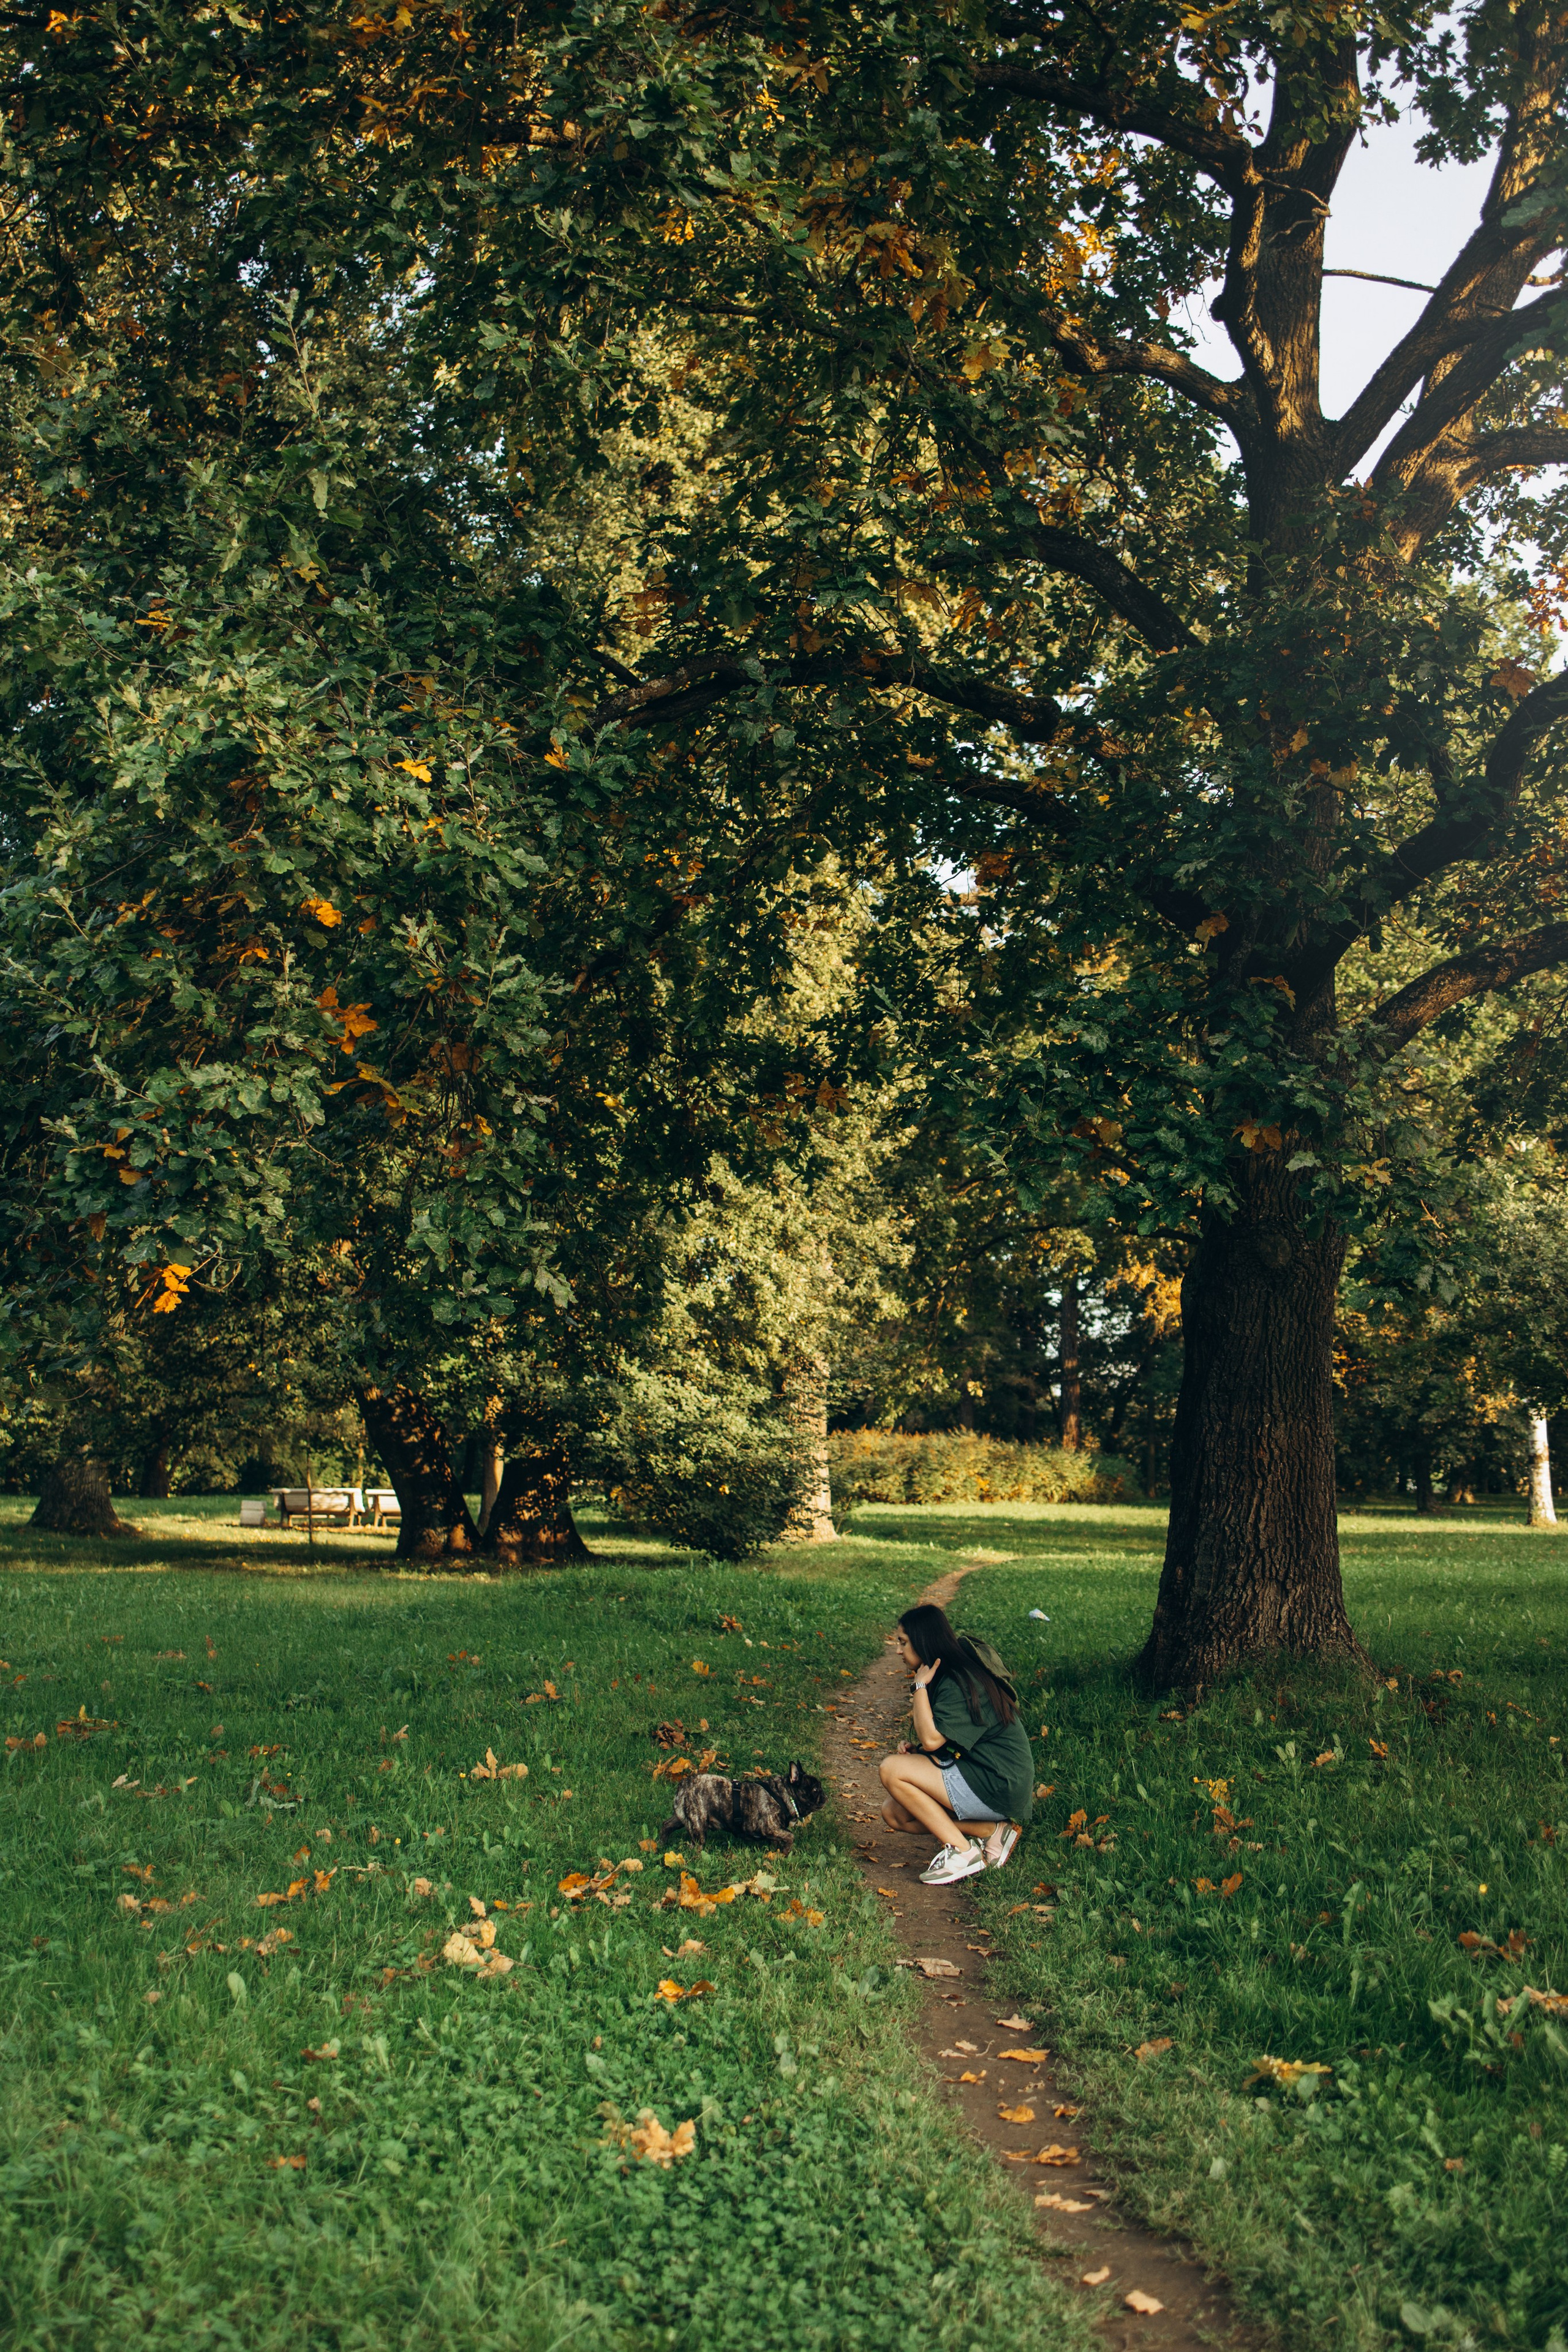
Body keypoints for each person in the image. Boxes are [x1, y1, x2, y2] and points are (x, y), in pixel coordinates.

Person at [878, 1603, 1034, 1885]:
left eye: (903, 1642)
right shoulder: (948, 1674)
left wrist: (919, 1688)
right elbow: (942, 1741)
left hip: (999, 1783)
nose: (898, 1651)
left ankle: (963, 1852)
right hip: (980, 1773)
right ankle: (991, 1830)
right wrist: (921, 1753)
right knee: (895, 1814)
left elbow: (932, 1737)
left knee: (891, 1769)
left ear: (923, 1640)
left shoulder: (957, 1679)